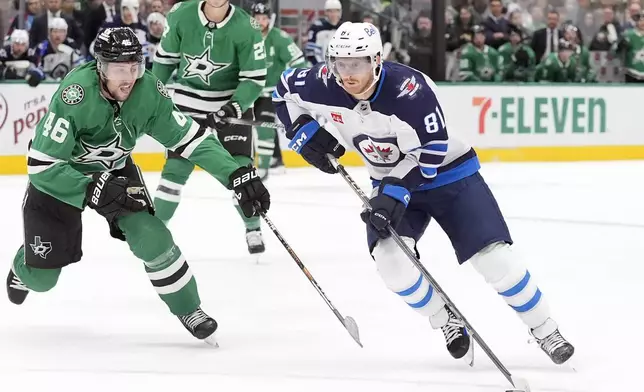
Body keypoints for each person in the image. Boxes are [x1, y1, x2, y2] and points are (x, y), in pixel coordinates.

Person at [272, 21, 575, 365]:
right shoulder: (324, 81)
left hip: (450, 176)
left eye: (356, 63)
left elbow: (431, 151)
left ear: (376, 60)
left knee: (495, 260)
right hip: (389, 182)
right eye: (340, 63)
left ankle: (545, 328)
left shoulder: (410, 90)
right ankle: (445, 318)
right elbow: (282, 91)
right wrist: (303, 130)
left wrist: (393, 191)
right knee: (390, 262)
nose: (347, 73)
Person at [5, 27, 270, 344]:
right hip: (62, 178)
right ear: (100, 67)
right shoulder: (74, 95)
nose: (129, 77)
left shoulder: (149, 92)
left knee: (152, 236)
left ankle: (188, 308)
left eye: (135, 66)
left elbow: (191, 139)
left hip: (116, 172)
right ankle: (25, 267)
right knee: (43, 279)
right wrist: (90, 186)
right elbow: (41, 166)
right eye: (119, 68)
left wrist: (234, 174)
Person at [151, 0, 268, 256]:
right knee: (175, 169)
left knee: (240, 168)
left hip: (229, 102)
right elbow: (164, 62)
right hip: (188, 100)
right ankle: (155, 231)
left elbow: (255, 78)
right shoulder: (181, 14)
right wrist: (151, 95)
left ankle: (253, 227)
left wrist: (234, 108)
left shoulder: (246, 26)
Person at [251, 2, 307, 179]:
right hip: (248, 92)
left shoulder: (279, 38)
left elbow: (298, 61)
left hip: (270, 93)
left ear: (269, 19)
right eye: (257, 18)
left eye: (264, 18)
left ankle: (264, 168)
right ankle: (254, 163)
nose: (261, 22)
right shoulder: (244, 37)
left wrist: (291, 84)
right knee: (245, 129)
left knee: (264, 126)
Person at [304, 0, 342, 65]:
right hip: (321, 68)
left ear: (340, 12)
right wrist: (321, 67)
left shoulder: (344, 28)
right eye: (330, 11)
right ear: (326, 12)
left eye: (336, 11)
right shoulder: (317, 27)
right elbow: (310, 52)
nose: (333, 14)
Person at [613, 11, 644, 83]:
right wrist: (620, 46)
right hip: (632, 73)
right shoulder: (628, 34)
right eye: (641, 19)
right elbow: (614, 51)